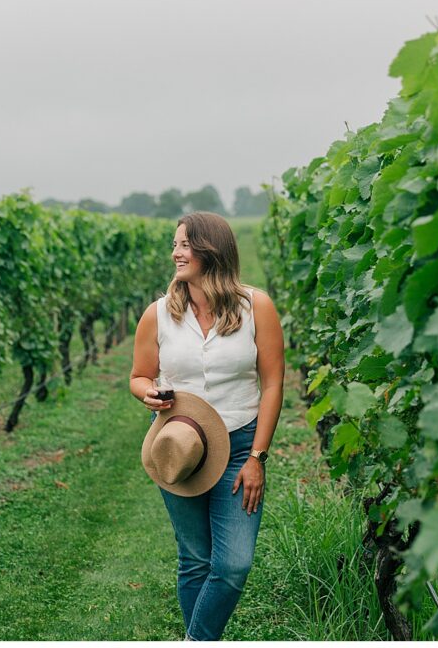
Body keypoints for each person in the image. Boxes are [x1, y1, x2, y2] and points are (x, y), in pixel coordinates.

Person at [129, 211, 285, 641]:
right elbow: (139, 375)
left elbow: (273, 384)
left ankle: (194, 641)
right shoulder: (158, 314)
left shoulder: (257, 307)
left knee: (234, 563)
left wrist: (258, 456)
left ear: (210, 250)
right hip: (178, 442)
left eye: (184, 244)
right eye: (175, 244)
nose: (175, 252)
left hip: (239, 446)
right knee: (195, 558)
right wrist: (146, 393)